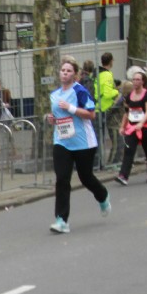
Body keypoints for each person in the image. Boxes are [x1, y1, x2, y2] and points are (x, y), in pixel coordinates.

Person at [45, 57, 109, 233]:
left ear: (75, 74)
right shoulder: (54, 95)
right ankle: (61, 220)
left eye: (69, 71)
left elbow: (91, 114)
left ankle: (102, 196)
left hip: (83, 142)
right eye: (63, 70)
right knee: (62, 179)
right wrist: (52, 119)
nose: (65, 73)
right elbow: (57, 116)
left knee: (85, 177)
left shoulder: (80, 91)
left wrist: (70, 108)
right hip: (62, 141)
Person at [116, 66, 147, 186]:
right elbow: (127, 112)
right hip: (132, 127)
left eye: (138, 80)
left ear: (143, 82)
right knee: (128, 150)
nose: (135, 82)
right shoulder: (129, 96)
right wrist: (122, 126)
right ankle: (123, 176)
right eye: (134, 79)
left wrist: (141, 123)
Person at [94, 53, 120, 165]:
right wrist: (117, 91)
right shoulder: (107, 75)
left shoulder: (97, 73)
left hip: (96, 108)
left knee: (97, 137)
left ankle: (97, 162)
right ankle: (99, 163)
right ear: (111, 61)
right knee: (100, 138)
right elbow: (108, 93)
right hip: (103, 109)